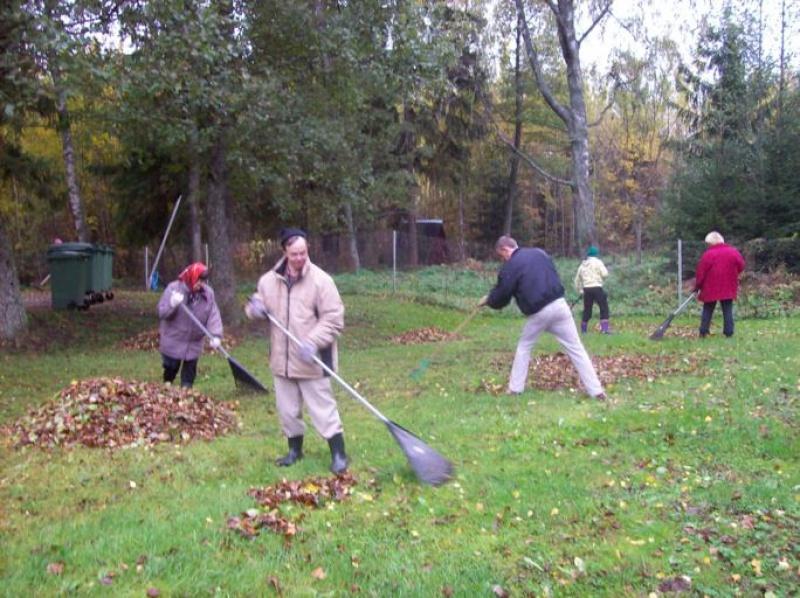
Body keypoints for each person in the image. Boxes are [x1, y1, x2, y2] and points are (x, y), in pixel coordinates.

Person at [244, 228, 348, 474]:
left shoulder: (322, 281)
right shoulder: (268, 281)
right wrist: (254, 308)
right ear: (284, 252)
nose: (300, 258)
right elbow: (255, 305)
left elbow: (334, 320)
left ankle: (339, 454)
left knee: (323, 410)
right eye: (295, 254)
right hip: (282, 360)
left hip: (313, 360)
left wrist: (312, 342)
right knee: (288, 411)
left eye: (303, 252)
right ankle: (294, 450)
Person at [478, 236, 606, 400]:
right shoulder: (539, 253)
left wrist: (489, 300)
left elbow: (503, 294)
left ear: (505, 249)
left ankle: (515, 389)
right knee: (576, 348)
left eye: (501, 256)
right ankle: (597, 391)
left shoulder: (511, 266)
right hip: (560, 305)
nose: (503, 260)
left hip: (539, 311)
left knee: (524, 346)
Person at [157, 262, 223, 389]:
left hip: (194, 341)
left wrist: (216, 335)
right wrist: (172, 304)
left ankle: (186, 391)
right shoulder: (173, 289)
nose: (201, 284)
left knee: (189, 371)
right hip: (174, 338)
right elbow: (162, 312)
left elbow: (213, 314)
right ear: (192, 276)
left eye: (203, 281)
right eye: (199, 280)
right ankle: (167, 385)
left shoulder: (208, 294)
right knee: (171, 367)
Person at [694, 231, 745, 338]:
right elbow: (741, 265)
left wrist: (697, 286)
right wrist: (733, 274)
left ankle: (703, 331)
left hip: (710, 286)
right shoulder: (733, 252)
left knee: (708, 308)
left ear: (711, 243)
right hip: (728, 285)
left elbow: (701, 272)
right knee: (727, 309)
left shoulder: (708, 254)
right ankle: (729, 332)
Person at [574, 245, 611, 334]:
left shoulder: (582, 265)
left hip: (587, 289)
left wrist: (580, 290)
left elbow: (577, 280)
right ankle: (605, 329)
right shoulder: (598, 262)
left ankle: (583, 330)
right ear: (596, 254)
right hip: (597, 287)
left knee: (587, 309)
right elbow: (605, 274)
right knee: (604, 307)